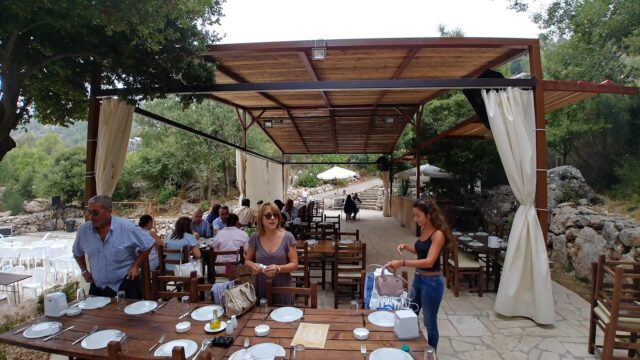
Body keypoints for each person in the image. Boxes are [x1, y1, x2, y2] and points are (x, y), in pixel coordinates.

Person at [385, 199, 450, 350]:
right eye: (414, 215)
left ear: (429, 215)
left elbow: (429, 261)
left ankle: (431, 353)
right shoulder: (423, 229)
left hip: (432, 283)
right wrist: (407, 246)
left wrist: (402, 262)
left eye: (418, 215)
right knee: (410, 313)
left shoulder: (437, 234)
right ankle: (412, 345)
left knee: (429, 323)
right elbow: (422, 250)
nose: (415, 219)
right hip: (419, 279)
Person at [73, 195, 154, 299]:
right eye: (89, 212)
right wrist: (84, 271)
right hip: (98, 286)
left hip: (126, 284)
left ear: (109, 211)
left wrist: (136, 265)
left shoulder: (127, 227)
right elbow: (77, 252)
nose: (91, 217)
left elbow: (148, 243)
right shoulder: (84, 231)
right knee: (95, 315)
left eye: (95, 213)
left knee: (129, 315)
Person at [245, 202, 298, 304]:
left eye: (276, 214)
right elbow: (247, 261)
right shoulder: (254, 237)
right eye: (268, 215)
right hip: (261, 287)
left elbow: (294, 264)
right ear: (261, 218)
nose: (273, 218)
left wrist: (278, 268)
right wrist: (253, 266)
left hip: (283, 287)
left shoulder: (288, 237)